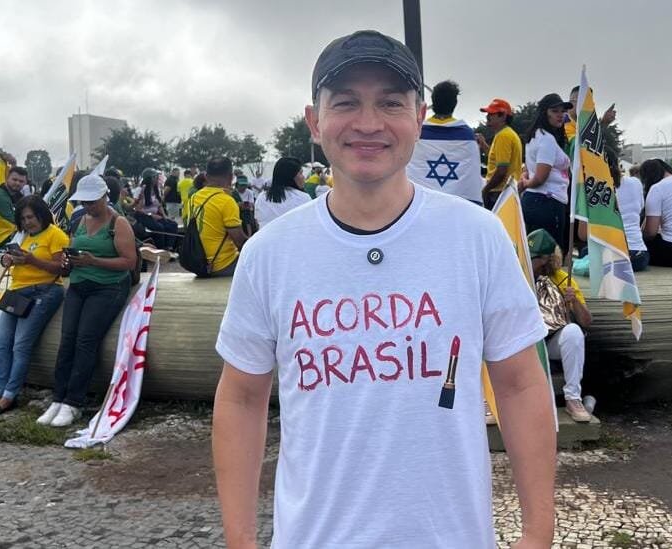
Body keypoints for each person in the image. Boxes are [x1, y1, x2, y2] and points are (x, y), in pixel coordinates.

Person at [213, 30, 555, 549]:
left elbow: (521, 385)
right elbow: (241, 398)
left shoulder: (477, 237)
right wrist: (240, 540)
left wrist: (538, 532)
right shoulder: (269, 254)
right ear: (314, 121)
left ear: (419, 117)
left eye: (391, 103)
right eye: (346, 102)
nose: (368, 123)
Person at [37, 175, 137, 428]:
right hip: (79, 284)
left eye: (92, 202)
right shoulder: (81, 220)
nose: (88, 206)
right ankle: (58, 397)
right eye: (84, 202)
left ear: (105, 197)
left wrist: (94, 261)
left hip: (108, 286)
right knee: (67, 340)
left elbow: (129, 261)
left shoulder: (118, 223)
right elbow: (74, 247)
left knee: (86, 341)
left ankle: (74, 402)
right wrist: (69, 261)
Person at [0, 196, 67, 415]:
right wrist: (7, 260)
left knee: (21, 344)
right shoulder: (23, 236)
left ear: (42, 215)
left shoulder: (56, 235)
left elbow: (62, 269)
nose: (27, 222)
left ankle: (10, 394)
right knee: (1, 341)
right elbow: (9, 258)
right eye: (23, 219)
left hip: (44, 290)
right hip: (17, 292)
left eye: (31, 217)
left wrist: (31, 260)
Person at [528, 229, 593, 422]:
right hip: (523, 344)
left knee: (574, 332)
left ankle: (573, 399)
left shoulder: (563, 279)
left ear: (547, 259)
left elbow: (587, 321)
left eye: (534, 258)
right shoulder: (517, 276)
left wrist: (574, 302)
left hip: (550, 343)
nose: (530, 262)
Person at [406, 80, 483, 204]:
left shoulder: (417, 132)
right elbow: (471, 179)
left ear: (433, 101)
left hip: (422, 203)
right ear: (455, 103)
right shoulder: (467, 135)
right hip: (457, 207)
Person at [520, 93, 575, 255]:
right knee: (550, 257)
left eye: (562, 111)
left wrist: (525, 180)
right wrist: (527, 183)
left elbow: (528, 169)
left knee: (533, 255)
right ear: (545, 113)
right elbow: (540, 177)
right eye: (555, 111)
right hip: (548, 203)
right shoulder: (547, 139)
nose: (560, 115)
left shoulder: (534, 137)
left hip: (535, 201)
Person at [188, 157, 247, 276]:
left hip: (198, 262)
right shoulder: (226, 201)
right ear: (231, 177)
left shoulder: (194, 197)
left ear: (206, 176)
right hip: (223, 264)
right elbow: (240, 243)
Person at [476, 98, 523, 209]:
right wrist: (483, 144)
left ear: (503, 116)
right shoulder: (506, 134)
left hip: (499, 192)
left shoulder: (503, 136)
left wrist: (486, 190)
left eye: (492, 114)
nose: (488, 117)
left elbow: (501, 170)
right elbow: (498, 159)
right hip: (505, 191)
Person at [253, 157, 311, 229]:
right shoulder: (303, 198)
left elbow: (258, 223)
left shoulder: (261, 197)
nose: (304, 177)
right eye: (301, 173)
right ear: (290, 176)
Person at [132, 168, 178, 250]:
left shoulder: (156, 189)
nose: (157, 179)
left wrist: (165, 216)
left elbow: (159, 205)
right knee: (159, 227)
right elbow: (137, 209)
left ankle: (169, 246)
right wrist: (151, 215)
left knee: (172, 224)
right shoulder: (140, 189)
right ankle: (160, 249)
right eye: (155, 177)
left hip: (156, 215)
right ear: (149, 178)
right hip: (143, 216)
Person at [617, 164, 649, 271]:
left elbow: (582, 235)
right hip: (639, 255)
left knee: (585, 250)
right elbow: (641, 207)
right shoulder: (636, 183)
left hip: (612, 254)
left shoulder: (596, 186)